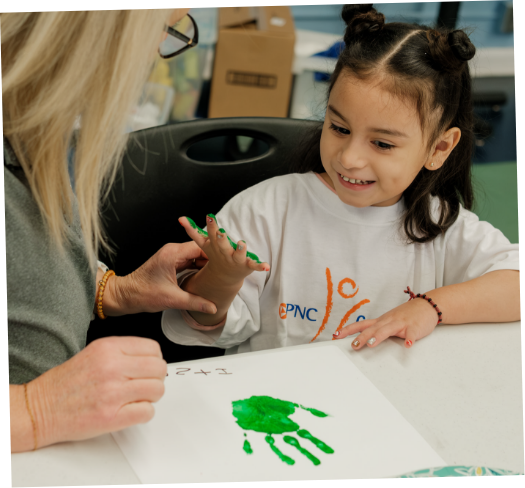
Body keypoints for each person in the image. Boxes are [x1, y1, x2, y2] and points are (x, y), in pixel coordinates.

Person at [161, 3, 520, 355]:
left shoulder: (441, 225)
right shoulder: (265, 211)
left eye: (381, 143)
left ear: (439, 148)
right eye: (339, 128)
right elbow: (194, 322)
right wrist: (222, 278)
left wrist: (430, 306)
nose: (349, 158)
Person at [5, 9, 220, 453]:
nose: (153, 59)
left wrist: (109, 289)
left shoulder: (40, 127)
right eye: (164, 30)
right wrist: (34, 409)